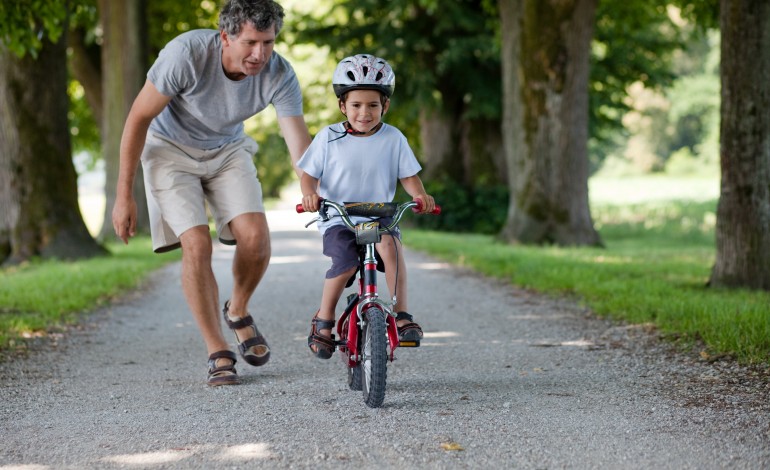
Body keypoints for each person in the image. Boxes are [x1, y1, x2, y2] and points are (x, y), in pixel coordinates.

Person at [111, 0, 311, 386]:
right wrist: (124, 195)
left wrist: (309, 185)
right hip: (169, 150)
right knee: (197, 245)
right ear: (226, 37)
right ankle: (217, 349)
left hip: (227, 150)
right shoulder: (185, 55)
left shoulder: (279, 73)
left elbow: (298, 144)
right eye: (251, 42)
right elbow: (138, 117)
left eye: (268, 42)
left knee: (256, 238)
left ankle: (237, 310)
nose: (260, 54)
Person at [298, 54, 435, 359]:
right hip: (339, 217)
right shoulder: (328, 138)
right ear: (342, 106)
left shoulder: (393, 138)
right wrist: (310, 195)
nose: (364, 112)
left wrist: (421, 196)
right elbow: (308, 177)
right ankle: (324, 319)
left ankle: (401, 315)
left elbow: (409, 177)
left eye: (373, 105)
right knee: (345, 262)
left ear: (384, 106)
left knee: (391, 247)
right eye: (356, 105)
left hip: (379, 216)